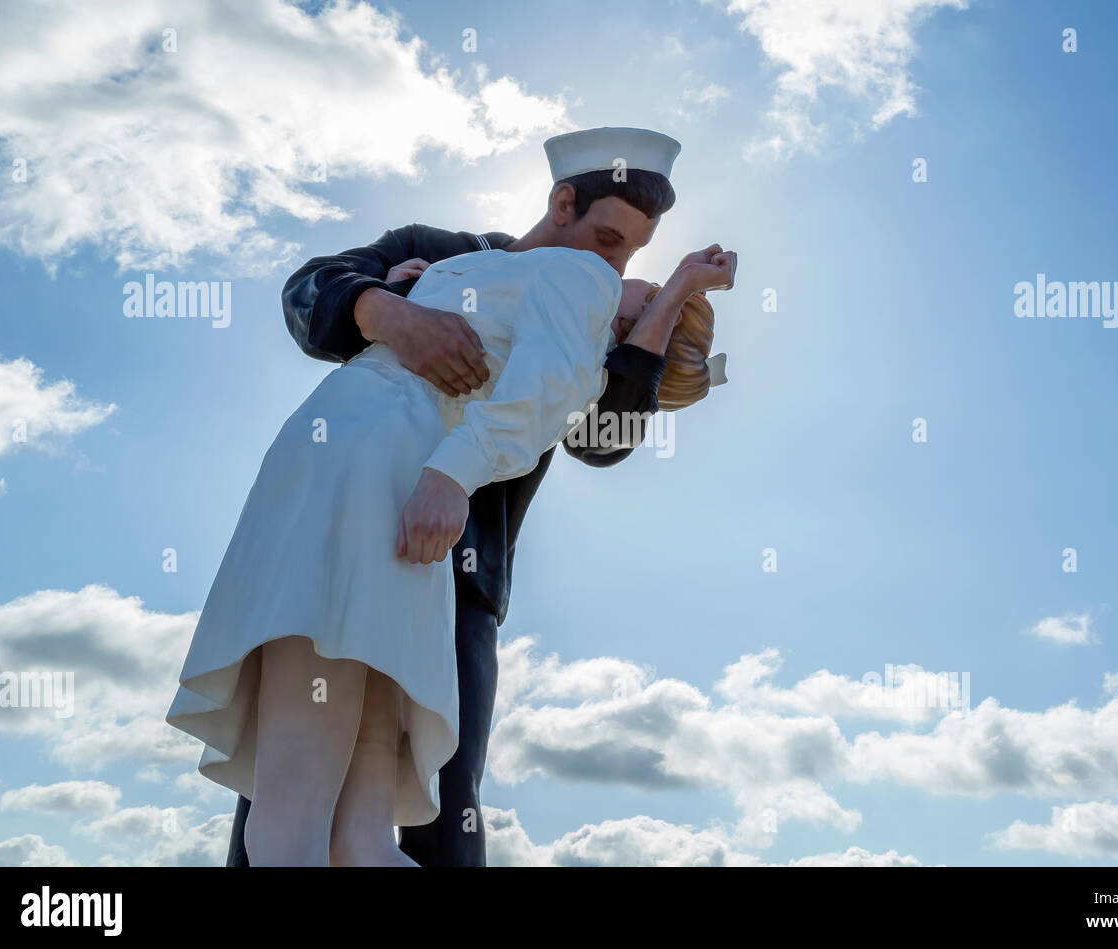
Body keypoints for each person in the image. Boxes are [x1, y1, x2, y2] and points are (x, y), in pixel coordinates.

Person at [216, 126, 736, 866]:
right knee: (295, 787)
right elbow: (308, 292)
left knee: (436, 801)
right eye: (608, 238)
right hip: (355, 518)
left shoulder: (588, 320)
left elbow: (602, 438)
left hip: (461, 578)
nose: (615, 264)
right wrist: (390, 313)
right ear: (562, 202)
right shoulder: (437, 246)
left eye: (632, 258)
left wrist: (661, 309)